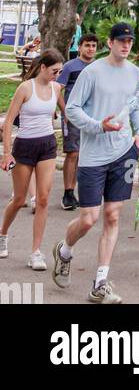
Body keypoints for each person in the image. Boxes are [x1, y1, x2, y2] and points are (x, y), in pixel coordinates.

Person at [52, 21, 139, 305]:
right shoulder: (92, 72)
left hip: (124, 153)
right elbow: (73, 111)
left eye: (129, 41)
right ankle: (65, 250)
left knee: (113, 215)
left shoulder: (135, 72)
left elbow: (136, 104)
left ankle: (100, 283)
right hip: (93, 156)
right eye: (121, 40)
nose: (126, 45)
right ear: (110, 43)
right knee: (89, 219)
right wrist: (98, 126)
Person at [0, 48, 65, 271]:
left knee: (43, 199)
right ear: (43, 67)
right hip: (24, 146)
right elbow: (8, 122)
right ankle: (2, 234)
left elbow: (67, 114)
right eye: (54, 71)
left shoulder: (57, 89)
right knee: (19, 199)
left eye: (60, 72)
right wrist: (7, 152)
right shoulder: (25, 88)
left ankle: (36, 252)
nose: (58, 75)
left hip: (47, 145)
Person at [56, 32, 99, 210]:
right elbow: (57, 89)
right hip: (73, 118)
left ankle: (86, 194)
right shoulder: (70, 66)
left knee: (86, 155)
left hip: (92, 118)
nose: (90, 49)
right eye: (87, 45)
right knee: (73, 154)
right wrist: (65, 112)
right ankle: (68, 193)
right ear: (79, 47)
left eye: (93, 46)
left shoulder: (98, 68)